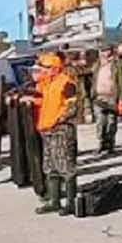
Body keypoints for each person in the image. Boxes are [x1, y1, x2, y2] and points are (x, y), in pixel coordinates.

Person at [31, 52, 80, 216]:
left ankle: (71, 203)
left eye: (45, 67)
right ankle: (54, 201)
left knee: (66, 167)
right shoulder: (46, 84)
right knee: (50, 167)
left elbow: (72, 107)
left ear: (54, 68)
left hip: (61, 130)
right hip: (46, 130)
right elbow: (43, 102)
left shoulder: (67, 83)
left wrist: (58, 121)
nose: (42, 70)